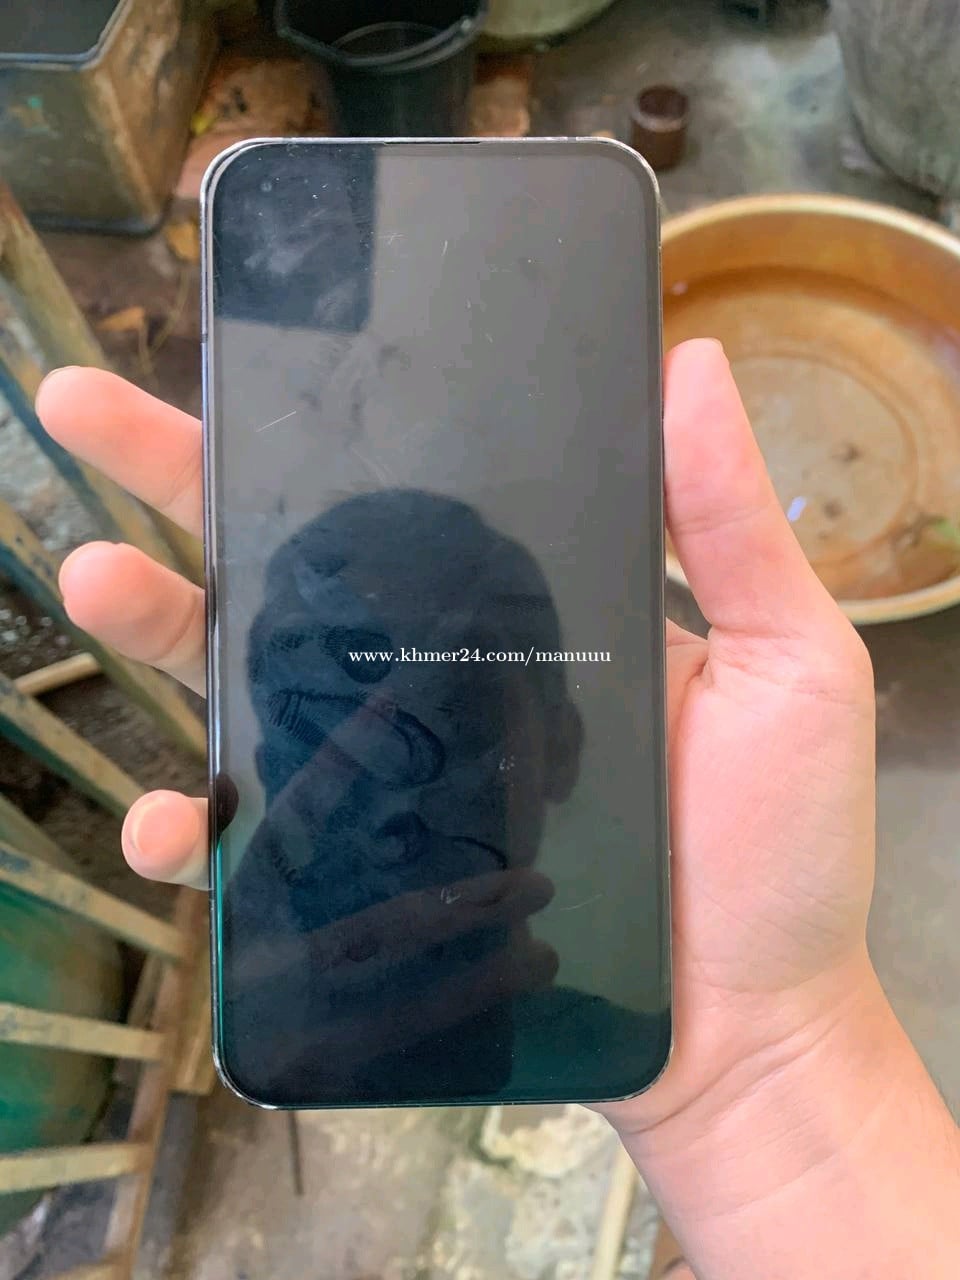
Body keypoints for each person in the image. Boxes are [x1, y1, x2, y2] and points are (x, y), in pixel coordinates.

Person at [36, 340, 960, 1278]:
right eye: (322, 721)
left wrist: (765, 1070)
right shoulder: (612, 1035)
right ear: (268, 763)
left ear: (561, 745)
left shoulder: (665, 1034)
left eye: (461, 708)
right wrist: (764, 1083)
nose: (393, 798)